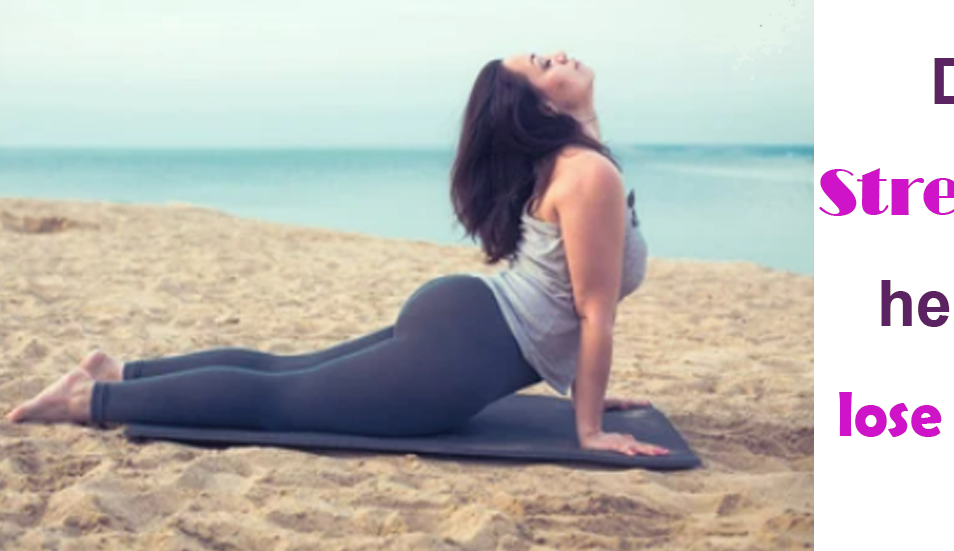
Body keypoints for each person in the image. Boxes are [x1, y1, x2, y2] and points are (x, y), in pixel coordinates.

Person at [5, 50, 670, 458]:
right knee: (280, 402)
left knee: (283, 374)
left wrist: (591, 393)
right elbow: (591, 313)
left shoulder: (580, 163)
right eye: (542, 64)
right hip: (462, 351)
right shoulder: (585, 173)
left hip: (470, 324)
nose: (558, 55)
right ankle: (90, 399)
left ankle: (123, 371)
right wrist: (588, 430)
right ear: (536, 107)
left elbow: (579, 300)